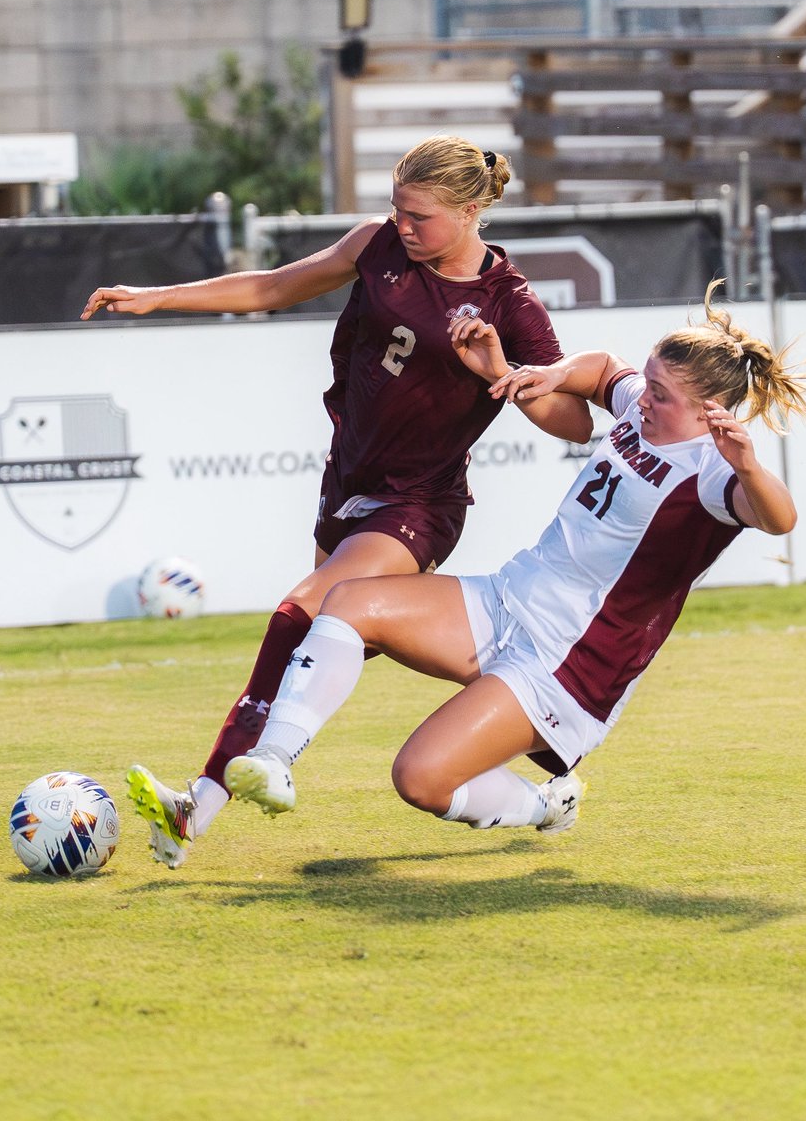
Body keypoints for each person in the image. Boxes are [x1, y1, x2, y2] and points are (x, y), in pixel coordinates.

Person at [80, 135, 593, 867]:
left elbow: (573, 421)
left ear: (472, 209)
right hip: (347, 486)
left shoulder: (508, 303)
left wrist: (502, 372)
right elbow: (271, 287)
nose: (402, 225)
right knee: (348, 636)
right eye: (396, 208)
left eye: (419, 216)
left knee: (304, 608)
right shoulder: (378, 244)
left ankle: (207, 798)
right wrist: (160, 296)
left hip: (419, 503)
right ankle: (538, 739)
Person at [221, 281, 806, 835]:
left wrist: (746, 462)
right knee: (348, 599)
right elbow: (607, 370)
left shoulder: (714, 473)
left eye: (661, 396)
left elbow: (780, 518)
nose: (644, 401)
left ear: (710, 410)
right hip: (510, 597)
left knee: (420, 779)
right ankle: (272, 760)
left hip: (565, 662)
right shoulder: (644, 407)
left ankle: (545, 805)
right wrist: (545, 372)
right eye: (651, 385)